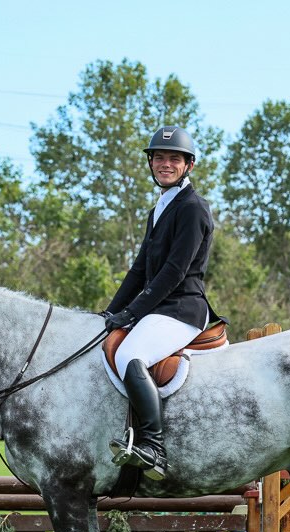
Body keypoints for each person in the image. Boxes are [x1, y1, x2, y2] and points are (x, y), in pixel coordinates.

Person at [102, 126, 216, 481]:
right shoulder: (159, 209)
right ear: (151, 162)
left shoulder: (193, 208)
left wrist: (132, 313)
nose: (166, 164)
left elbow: (173, 272)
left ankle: (153, 446)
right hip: (159, 309)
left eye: (174, 159)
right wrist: (110, 312)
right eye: (160, 158)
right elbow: (140, 270)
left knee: (129, 355)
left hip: (182, 309)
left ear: (189, 165)